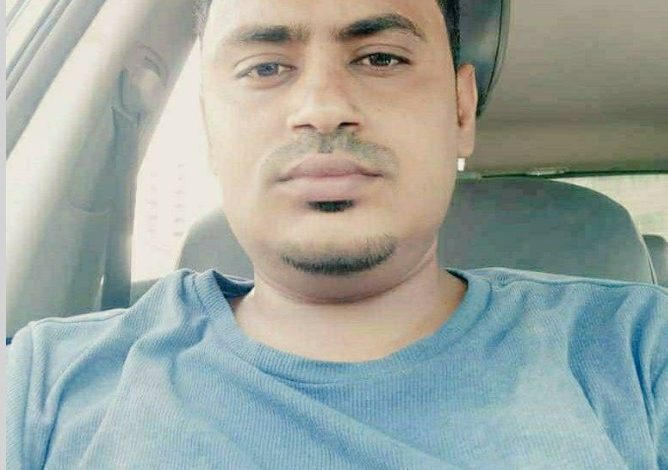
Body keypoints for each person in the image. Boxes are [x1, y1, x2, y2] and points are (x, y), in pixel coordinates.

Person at [6, 0, 667, 468]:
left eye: (380, 57)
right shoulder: (41, 382)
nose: (322, 107)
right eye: (265, 68)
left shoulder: (640, 352)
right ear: (209, 126)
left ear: (461, 110)